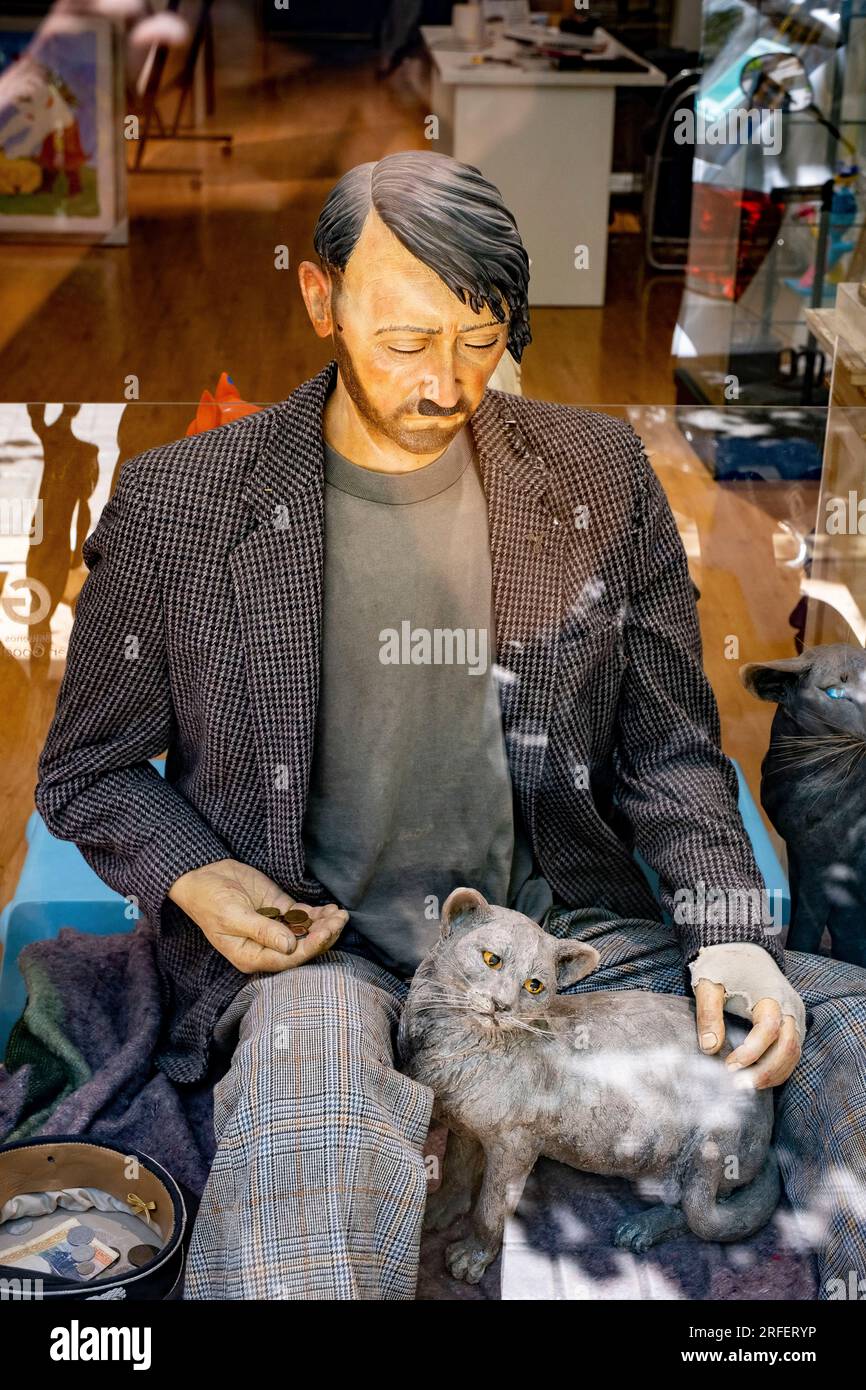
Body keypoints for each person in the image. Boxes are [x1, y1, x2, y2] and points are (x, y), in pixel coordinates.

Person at [35, 151, 866, 1301]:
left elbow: (668, 747)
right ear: (319, 298)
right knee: (305, 1160)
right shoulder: (181, 505)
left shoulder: (595, 472)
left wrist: (726, 927)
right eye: (405, 341)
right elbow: (89, 768)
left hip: (564, 940)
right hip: (320, 957)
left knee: (847, 1052)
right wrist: (198, 874)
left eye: (479, 343)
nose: (444, 384)